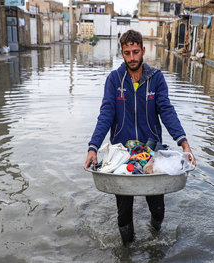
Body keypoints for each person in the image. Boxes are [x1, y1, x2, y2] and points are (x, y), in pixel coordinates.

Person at [84, 30, 196, 246]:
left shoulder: (156, 79)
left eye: (136, 52)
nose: (132, 57)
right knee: (123, 213)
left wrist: (184, 144)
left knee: (158, 208)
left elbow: (167, 111)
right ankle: (128, 250)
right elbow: (106, 114)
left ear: (143, 50)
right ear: (122, 53)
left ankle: (155, 238)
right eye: (127, 53)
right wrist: (93, 147)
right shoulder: (115, 79)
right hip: (122, 156)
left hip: (151, 154)